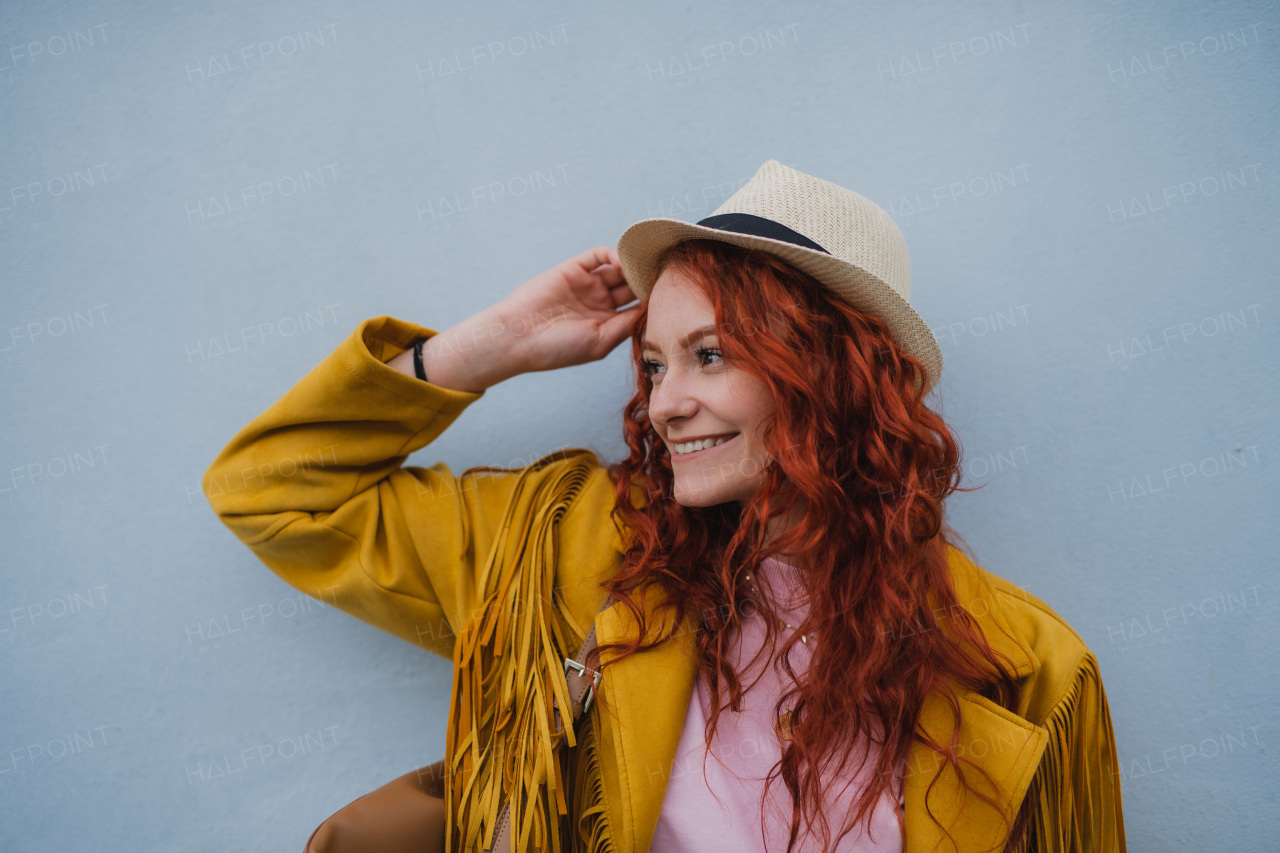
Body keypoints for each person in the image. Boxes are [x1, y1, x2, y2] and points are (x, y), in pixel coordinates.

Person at [203, 160, 1125, 852]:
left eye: (710, 355)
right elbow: (274, 488)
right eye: (652, 363)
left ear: (837, 372)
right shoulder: (560, 544)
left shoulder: (1022, 667)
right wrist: (493, 346)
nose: (662, 401)